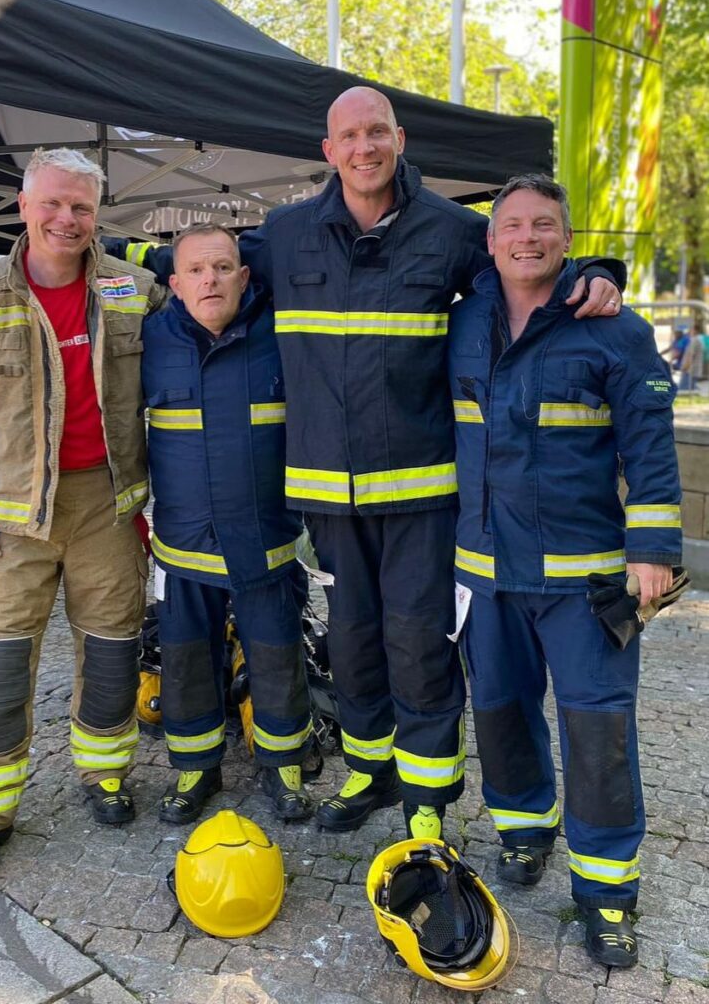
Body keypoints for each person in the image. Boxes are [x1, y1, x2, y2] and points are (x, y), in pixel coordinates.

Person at [107, 86, 624, 840]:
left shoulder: (450, 232)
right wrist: (86, 247)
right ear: (328, 151)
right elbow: (192, 263)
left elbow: (527, 265)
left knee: (417, 645)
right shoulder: (285, 235)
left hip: (419, 494)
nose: (363, 147)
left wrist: (597, 267)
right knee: (350, 645)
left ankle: (426, 801)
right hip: (326, 500)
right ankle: (368, 773)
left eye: (375, 132)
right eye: (348, 136)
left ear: (399, 138)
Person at [447, 174, 681, 968]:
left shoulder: (612, 328)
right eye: (510, 224)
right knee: (502, 714)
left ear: (566, 237)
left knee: (597, 733)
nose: (525, 238)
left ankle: (606, 890)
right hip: (486, 571)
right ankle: (521, 830)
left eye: (542, 225)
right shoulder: (464, 317)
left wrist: (652, 549)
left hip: (586, 578)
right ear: (488, 241)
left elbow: (648, 443)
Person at [0, 147, 166, 886]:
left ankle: (103, 776)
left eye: (82, 207)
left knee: (111, 652)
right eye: (53, 204)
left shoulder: (135, 289)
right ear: (25, 209)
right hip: (11, 523)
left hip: (108, 506)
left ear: (98, 215)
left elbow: (202, 325)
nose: (66, 219)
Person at [142, 223, 313, 823]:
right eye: (195, 270)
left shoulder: (282, 333)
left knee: (277, 656)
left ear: (244, 277)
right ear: (175, 283)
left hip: (263, 541)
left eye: (221, 268)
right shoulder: (149, 338)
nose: (209, 280)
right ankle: (195, 769)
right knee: (186, 658)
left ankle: (284, 768)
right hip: (184, 546)